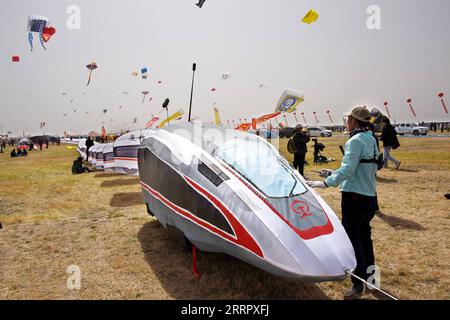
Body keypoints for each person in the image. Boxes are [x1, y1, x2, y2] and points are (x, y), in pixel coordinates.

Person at [306, 107, 379, 299]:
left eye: (348, 119)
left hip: (354, 197)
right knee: (365, 239)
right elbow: (362, 167)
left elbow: (348, 170)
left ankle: (358, 284)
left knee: (354, 241)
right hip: (369, 196)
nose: (346, 122)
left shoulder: (354, 141)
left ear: (354, 121)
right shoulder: (372, 138)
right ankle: (372, 281)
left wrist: (325, 182)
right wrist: (333, 172)